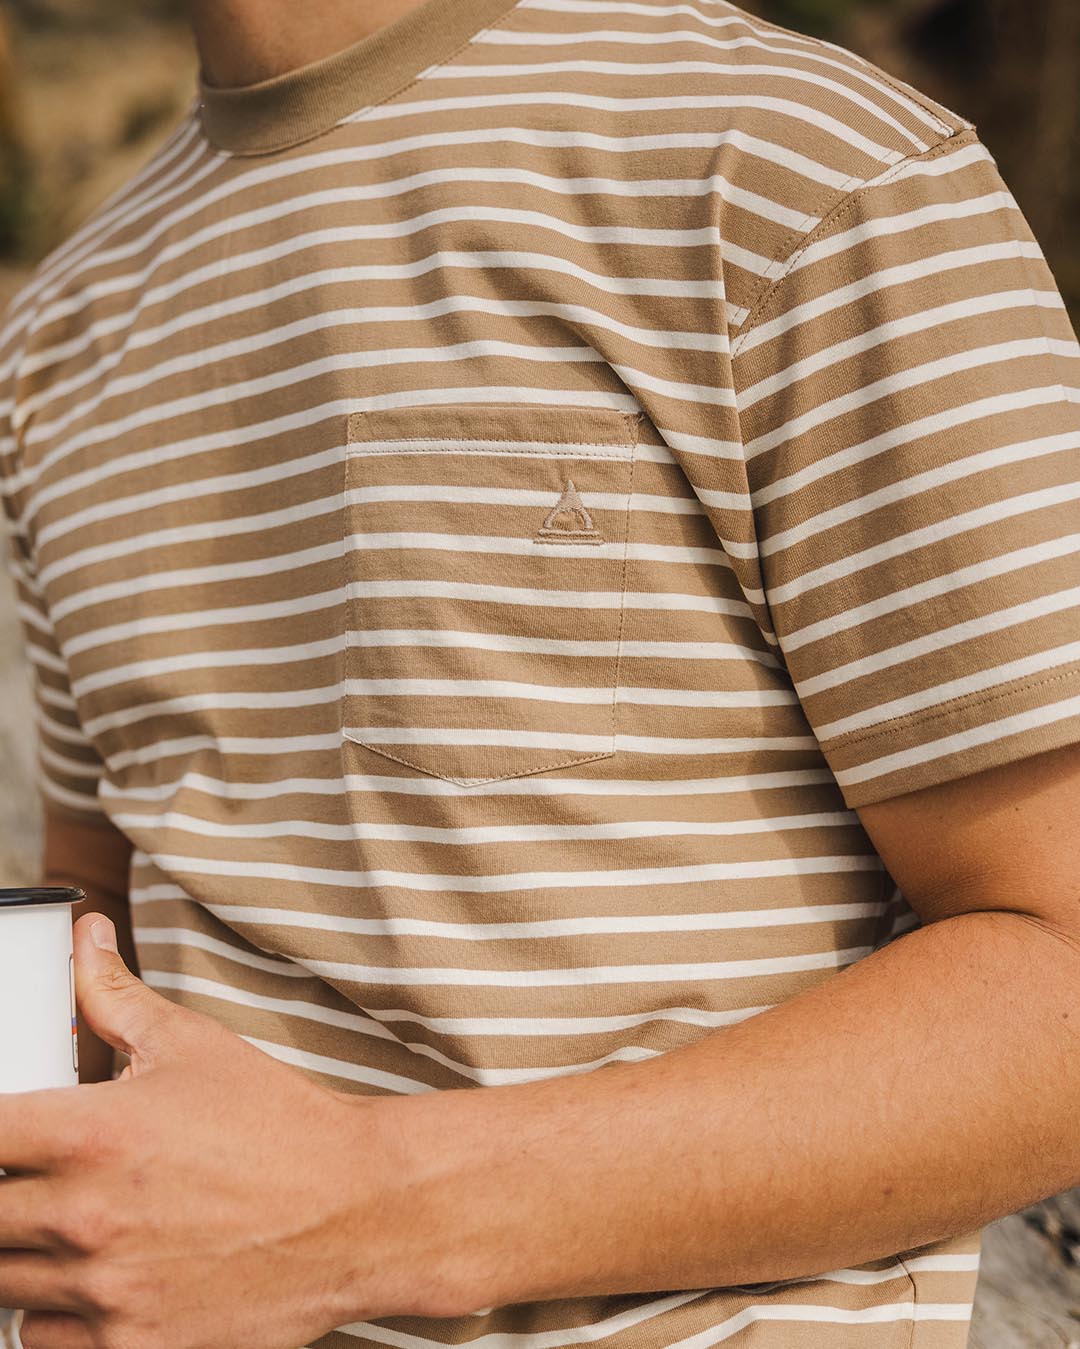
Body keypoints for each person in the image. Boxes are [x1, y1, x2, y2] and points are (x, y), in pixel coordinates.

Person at [0, 0, 1078, 1344]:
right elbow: (103, 922)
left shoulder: (789, 163)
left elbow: (1060, 972)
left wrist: (362, 1214)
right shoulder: (56, 329)